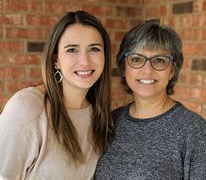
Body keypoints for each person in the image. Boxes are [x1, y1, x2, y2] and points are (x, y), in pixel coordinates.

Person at [0, 10, 114, 180]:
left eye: (94, 49)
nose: (85, 61)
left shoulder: (98, 115)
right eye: (72, 50)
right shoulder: (28, 107)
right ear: (55, 60)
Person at [95, 23, 206, 179]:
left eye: (159, 60)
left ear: (172, 71)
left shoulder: (193, 130)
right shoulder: (110, 122)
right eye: (136, 59)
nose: (147, 70)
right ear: (124, 68)